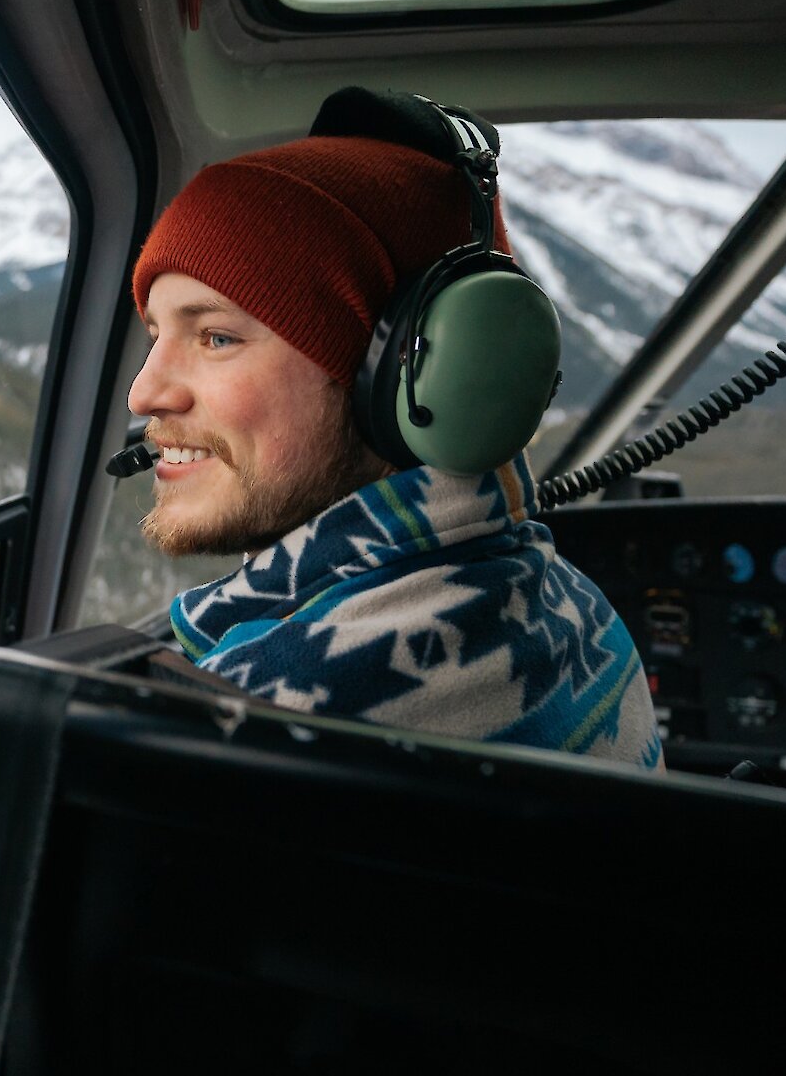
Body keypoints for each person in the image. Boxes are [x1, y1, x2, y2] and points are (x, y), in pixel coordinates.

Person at [126, 122, 663, 769]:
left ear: (401, 378)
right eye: (156, 333)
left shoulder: (260, 727)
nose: (145, 392)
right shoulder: (567, 602)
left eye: (216, 337)